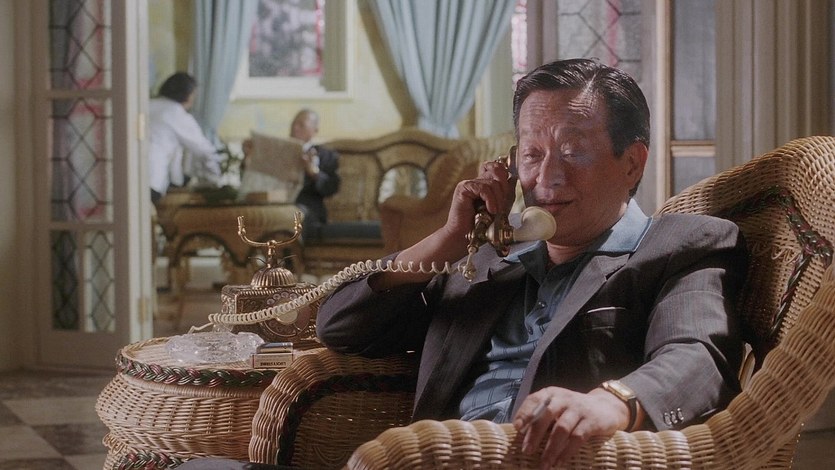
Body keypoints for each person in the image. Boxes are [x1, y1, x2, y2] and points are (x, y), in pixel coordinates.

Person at [316, 59, 748, 467]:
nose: (547, 178)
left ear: (632, 163)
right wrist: (451, 239)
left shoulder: (681, 245)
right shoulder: (487, 260)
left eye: (573, 152)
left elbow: (697, 357)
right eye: (532, 154)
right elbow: (340, 327)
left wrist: (611, 402)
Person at [147, 72, 222, 205]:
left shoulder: (148, 104)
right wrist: (216, 179)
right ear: (187, 95)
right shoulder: (176, 113)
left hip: (127, 173)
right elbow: (204, 150)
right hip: (152, 177)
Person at [288, 108, 341, 241]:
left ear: (315, 130)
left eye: (301, 125)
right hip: (278, 205)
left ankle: (292, 255)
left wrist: (313, 173)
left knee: (295, 214)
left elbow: (331, 188)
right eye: (294, 124)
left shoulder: (325, 155)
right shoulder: (279, 154)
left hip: (308, 210)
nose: (295, 128)